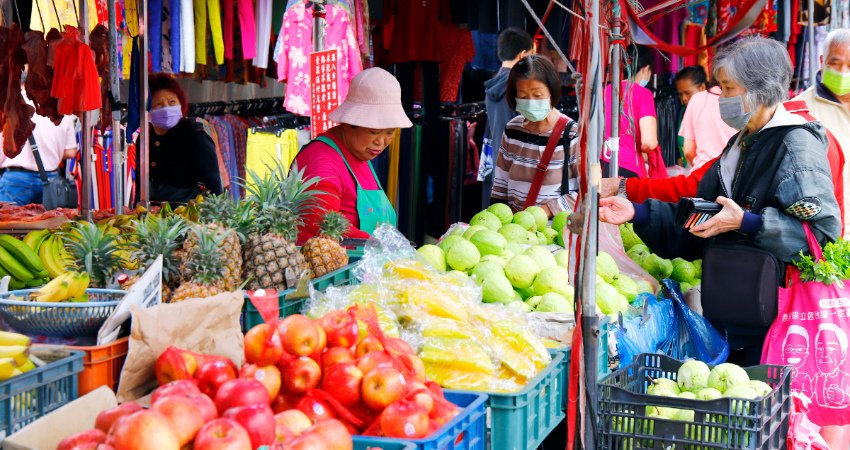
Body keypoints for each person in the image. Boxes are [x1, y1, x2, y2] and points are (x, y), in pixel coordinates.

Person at [599, 36, 841, 363]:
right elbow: (701, 215)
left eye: (729, 89)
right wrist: (636, 211)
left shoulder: (796, 145)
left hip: (775, 323)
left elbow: (821, 235)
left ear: (761, 89)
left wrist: (747, 222)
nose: (721, 99)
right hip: (733, 309)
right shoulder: (740, 144)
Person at [295, 68, 412, 244]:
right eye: (374, 132)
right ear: (349, 123)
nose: (381, 142)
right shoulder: (322, 161)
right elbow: (324, 227)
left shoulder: (359, 153)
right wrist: (387, 249)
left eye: (390, 132)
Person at [490, 55, 579, 215]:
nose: (530, 101)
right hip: (515, 229)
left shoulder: (572, 134)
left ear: (551, 91)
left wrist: (545, 211)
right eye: (523, 97)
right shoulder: (512, 129)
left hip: (555, 231)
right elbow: (500, 184)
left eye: (537, 95)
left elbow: (589, 192)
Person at [793, 29, 850, 235]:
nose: (843, 72)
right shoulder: (799, 109)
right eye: (835, 63)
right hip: (831, 233)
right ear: (821, 60)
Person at [146, 73, 222, 204]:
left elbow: (213, 183)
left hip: (187, 215)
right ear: (147, 109)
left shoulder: (194, 133)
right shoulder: (144, 138)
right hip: (152, 215)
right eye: (158, 104)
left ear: (181, 103)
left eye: (172, 102)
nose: (166, 108)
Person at [481, 28, 534, 206]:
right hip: (519, 166)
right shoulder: (520, 87)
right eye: (531, 55)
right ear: (522, 55)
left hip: (497, 162)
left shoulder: (492, 85)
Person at [0, 88, 77, 206]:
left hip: (16, 179)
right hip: (50, 180)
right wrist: (49, 153)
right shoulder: (61, 108)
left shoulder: (7, 106)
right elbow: (71, 151)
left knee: (8, 223)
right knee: (48, 222)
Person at [603, 45, 665, 179]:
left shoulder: (606, 90)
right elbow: (649, 142)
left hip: (603, 163)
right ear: (646, 69)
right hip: (628, 168)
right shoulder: (644, 94)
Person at [673, 66, 708, 166]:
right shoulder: (682, 111)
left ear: (702, 88)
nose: (684, 98)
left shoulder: (709, 113)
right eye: (680, 94)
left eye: (688, 93)